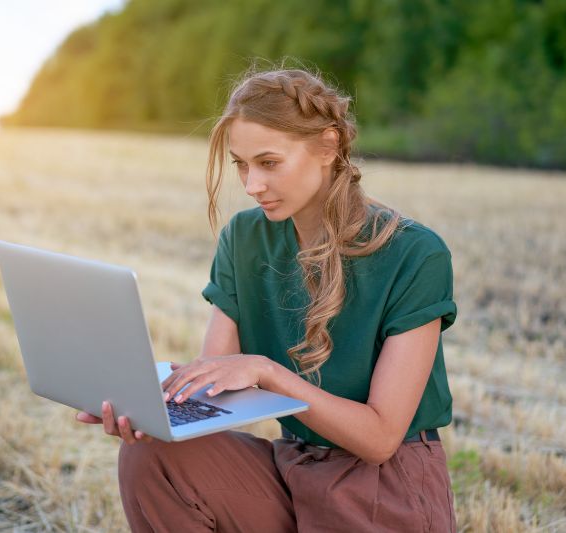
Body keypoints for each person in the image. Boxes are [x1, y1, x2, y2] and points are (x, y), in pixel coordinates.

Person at [76, 66, 458, 532]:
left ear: (328, 146)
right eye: (240, 164)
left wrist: (267, 372)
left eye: (268, 162)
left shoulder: (415, 253)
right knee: (152, 455)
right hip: (293, 471)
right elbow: (213, 379)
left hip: (388, 491)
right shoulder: (244, 238)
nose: (251, 184)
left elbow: (380, 439)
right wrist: (148, 407)